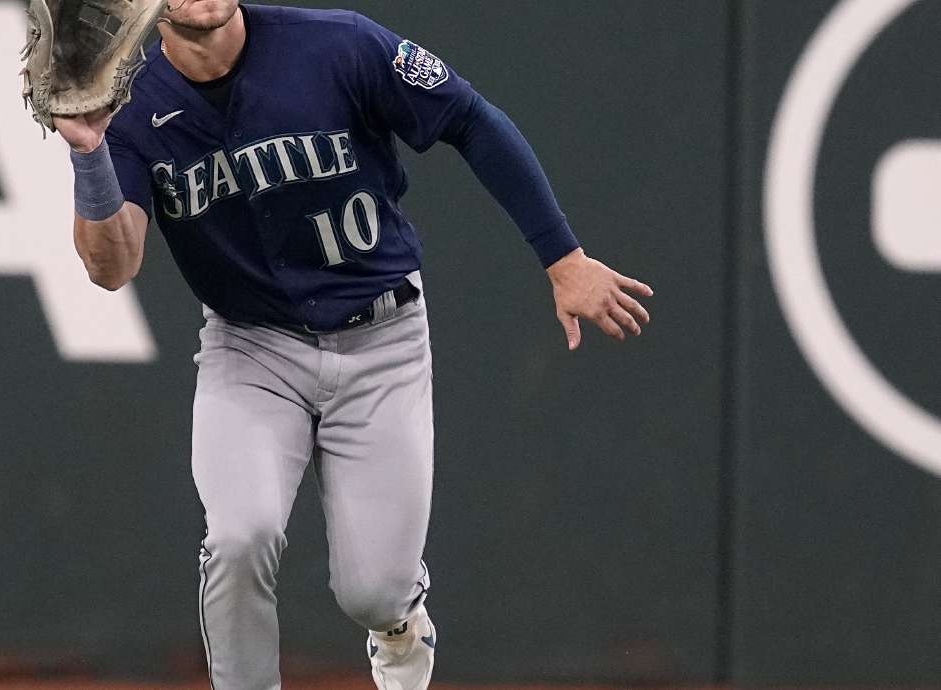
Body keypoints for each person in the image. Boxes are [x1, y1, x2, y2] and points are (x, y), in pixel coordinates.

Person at [55, 1, 653, 688]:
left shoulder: (337, 45)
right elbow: (112, 267)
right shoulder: (130, 105)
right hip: (251, 349)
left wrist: (563, 257)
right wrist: (93, 157)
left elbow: (469, 118)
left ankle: (399, 622)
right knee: (238, 537)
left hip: (382, 340)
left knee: (373, 591)